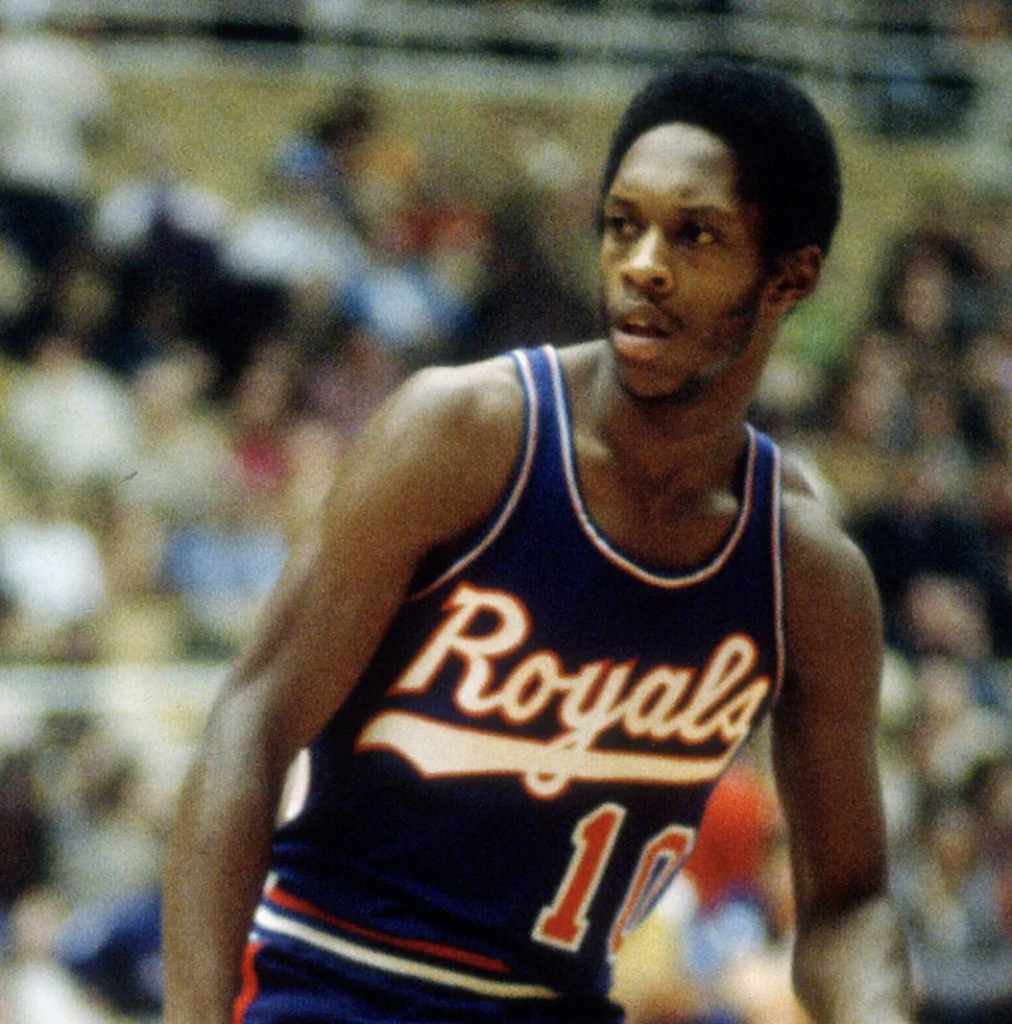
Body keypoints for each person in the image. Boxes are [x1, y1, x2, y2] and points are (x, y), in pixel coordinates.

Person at [163, 59, 915, 1024]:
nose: (643, 261)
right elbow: (251, 722)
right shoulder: (465, 435)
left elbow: (849, 900)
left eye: (695, 233)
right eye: (622, 223)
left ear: (789, 277)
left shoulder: (804, 572)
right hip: (336, 985)